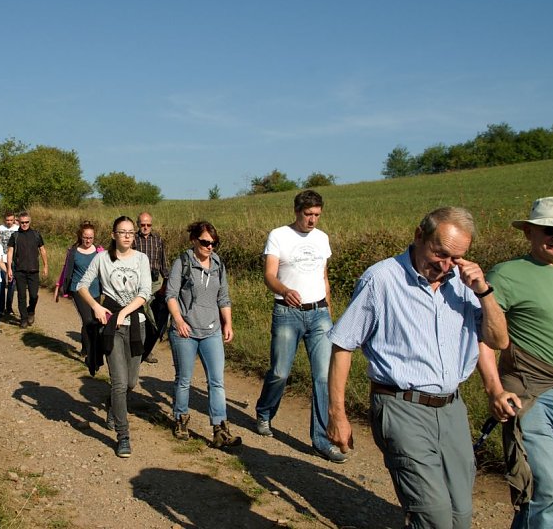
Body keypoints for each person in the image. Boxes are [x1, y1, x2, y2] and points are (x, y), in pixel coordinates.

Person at [327, 206, 508, 529]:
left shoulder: (464, 285)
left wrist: (484, 292)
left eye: (456, 257)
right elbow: (343, 345)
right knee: (433, 516)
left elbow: (497, 341)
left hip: (452, 410)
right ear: (419, 235)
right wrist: (337, 414)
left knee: (460, 515)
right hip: (401, 407)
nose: (445, 264)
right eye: (440, 253)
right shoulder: (381, 279)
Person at [475, 196, 553, 528]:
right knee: (545, 489)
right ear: (529, 233)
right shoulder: (508, 274)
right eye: (548, 230)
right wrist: (494, 390)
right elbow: (484, 339)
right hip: (530, 394)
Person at [253, 190, 344, 462]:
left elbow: (324, 276)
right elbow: (269, 275)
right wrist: (284, 289)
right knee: (280, 372)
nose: (312, 220)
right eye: (308, 214)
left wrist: (328, 307)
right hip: (287, 312)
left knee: (323, 377)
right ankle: (265, 412)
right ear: (297, 212)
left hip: (319, 314)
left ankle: (321, 440)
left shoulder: (322, 238)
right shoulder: (279, 235)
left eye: (317, 214)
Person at [76, 216, 151, 458]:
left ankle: (111, 405)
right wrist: (96, 308)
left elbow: (145, 293)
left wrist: (126, 312)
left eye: (131, 232)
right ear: (113, 235)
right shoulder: (102, 258)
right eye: (122, 232)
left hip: (136, 325)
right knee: (119, 383)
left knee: (131, 383)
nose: (128, 236)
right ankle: (123, 435)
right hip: (112, 328)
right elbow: (82, 285)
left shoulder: (142, 259)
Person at [165, 220, 240, 448]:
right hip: (186, 331)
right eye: (205, 242)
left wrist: (228, 323)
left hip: (212, 330)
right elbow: (170, 294)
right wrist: (178, 321)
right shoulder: (183, 262)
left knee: (217, 382)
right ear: (194, 240)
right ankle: (181, 420)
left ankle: (220, 429)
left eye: (214, 243)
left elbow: (223, 297)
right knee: (184, 380)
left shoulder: (218, 264)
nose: (210, 247)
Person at [54, 221, 104, 356]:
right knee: (87, 320)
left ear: (94, 237)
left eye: (90, 237)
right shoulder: (73, 252)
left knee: (94, 321)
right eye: (85, 237)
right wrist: (59, 286)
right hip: (78, 290)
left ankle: (86, 346)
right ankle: (89, 351)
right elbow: (66, 270)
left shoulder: (100, 251)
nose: (88, 240)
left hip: (95, 290)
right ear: (81, 236)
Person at [134, 212, 169, 364]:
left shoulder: (158, 240)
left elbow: (163, 262)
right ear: (138, 224)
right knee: (141, 316)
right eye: (143, 224)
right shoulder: (133, 239)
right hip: (138, 282)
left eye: (148, 225)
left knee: (154, 319)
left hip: (155, 283)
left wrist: (166, 281)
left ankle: (147, 350)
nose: (146, 227)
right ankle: (136, 348)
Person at [6, 211, 48, 328]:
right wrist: (9, 268)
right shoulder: (15, 236)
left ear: (30, 222)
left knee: (34, 295)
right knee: (21, 296)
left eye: (26, 222)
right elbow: (10, 252)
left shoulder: (36, 234)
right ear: (18, 222)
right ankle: (23, 319)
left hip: (34, 270)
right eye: (22, 222)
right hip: (19, 271)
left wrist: (46, 266)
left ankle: (31, 311)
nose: (24, 224)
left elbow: (42, 250)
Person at [0, 212, 18, 317]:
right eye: (7, 220)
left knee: (12, 284)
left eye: (11, 220)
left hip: (13, 260)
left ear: (14, 220)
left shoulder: (17, 229)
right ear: (4, 220)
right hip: (1, 259)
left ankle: (9, 307)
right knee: (1, 283)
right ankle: (1, 307)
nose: (9, 222)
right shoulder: (0, 228)